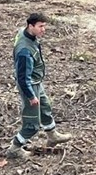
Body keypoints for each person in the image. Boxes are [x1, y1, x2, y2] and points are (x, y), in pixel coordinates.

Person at [7, 12, 72, 160]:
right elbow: (23, 78)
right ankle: (15, 149)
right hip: (29, 86)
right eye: (40, 26)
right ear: (31, 26)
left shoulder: (25, 34)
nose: (44, 30)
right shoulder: (25, 51)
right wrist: (31, 96)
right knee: (32, 124)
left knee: (45, 106)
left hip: (36, 83)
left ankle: (52, 135)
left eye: (44, 26)